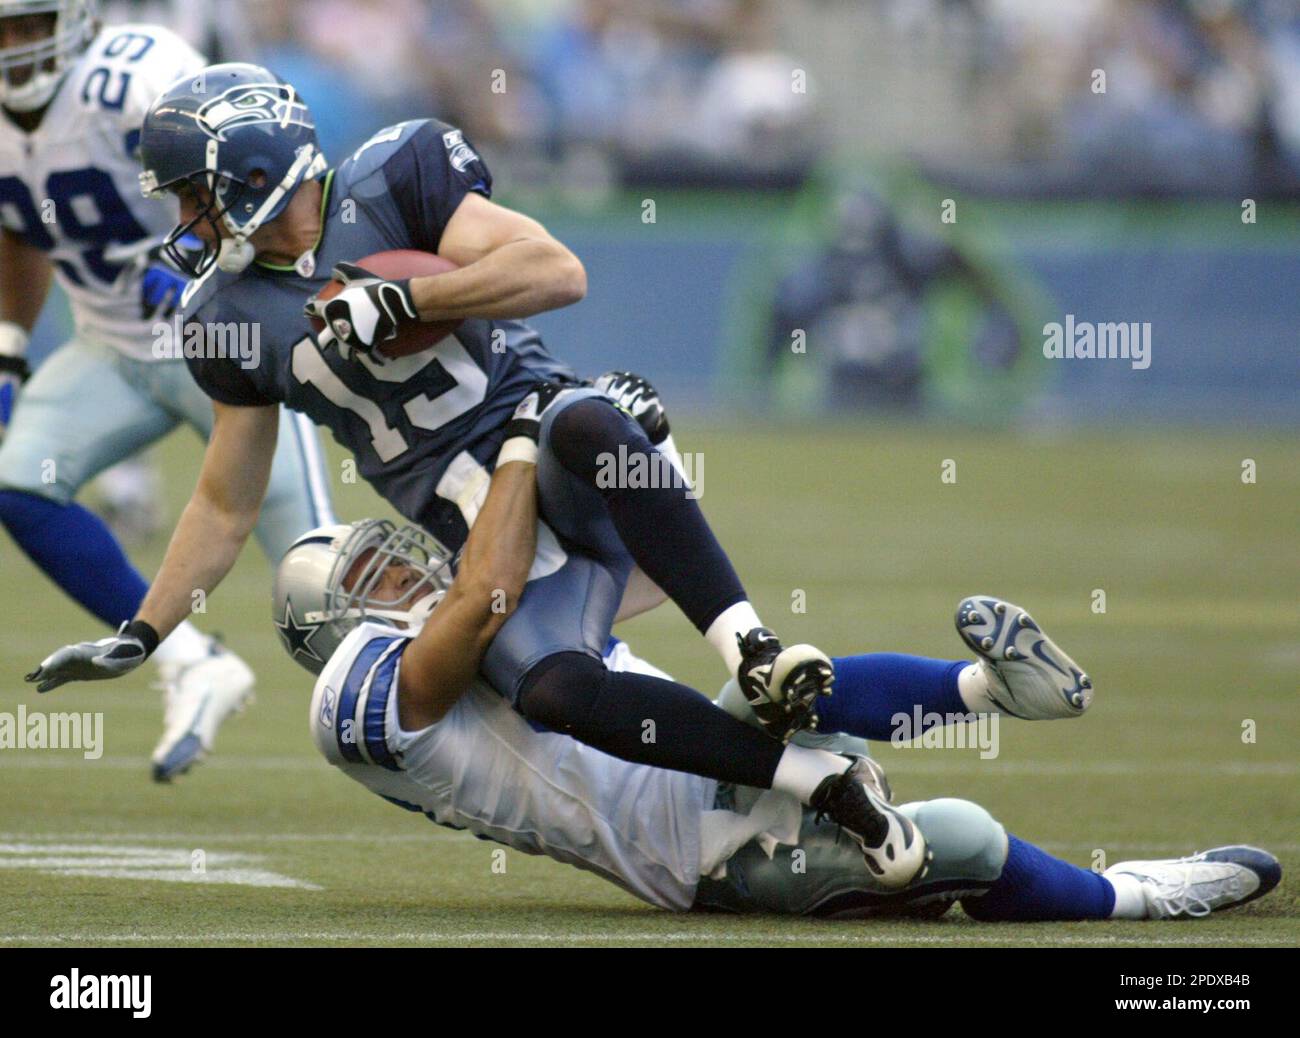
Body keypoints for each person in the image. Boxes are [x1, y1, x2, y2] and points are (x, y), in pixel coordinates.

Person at [270, 466, 1281, 919]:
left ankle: (990, 690)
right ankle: (1140, 898)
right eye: (375, 579)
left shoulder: (479, 615)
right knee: (961, 837)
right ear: (333, 631)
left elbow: (637, 572)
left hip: (690, 755)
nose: (405, 570)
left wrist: (631, 462)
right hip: (690, 858)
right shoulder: (356, 701)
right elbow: (469, 620)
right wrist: (524, 453)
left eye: (393, 557)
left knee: (789, 679)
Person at [0, 3, 331, 780]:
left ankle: (451, 714)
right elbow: (16, 227)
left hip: (221, 345)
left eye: (28, 24)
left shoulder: (133, 76)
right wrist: (9, 352)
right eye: (2, 29)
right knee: (18, 483)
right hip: (112, 346)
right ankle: (190, 660)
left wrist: (226, 271)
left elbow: (261, 161)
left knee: (318, 582)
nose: (15, 45)